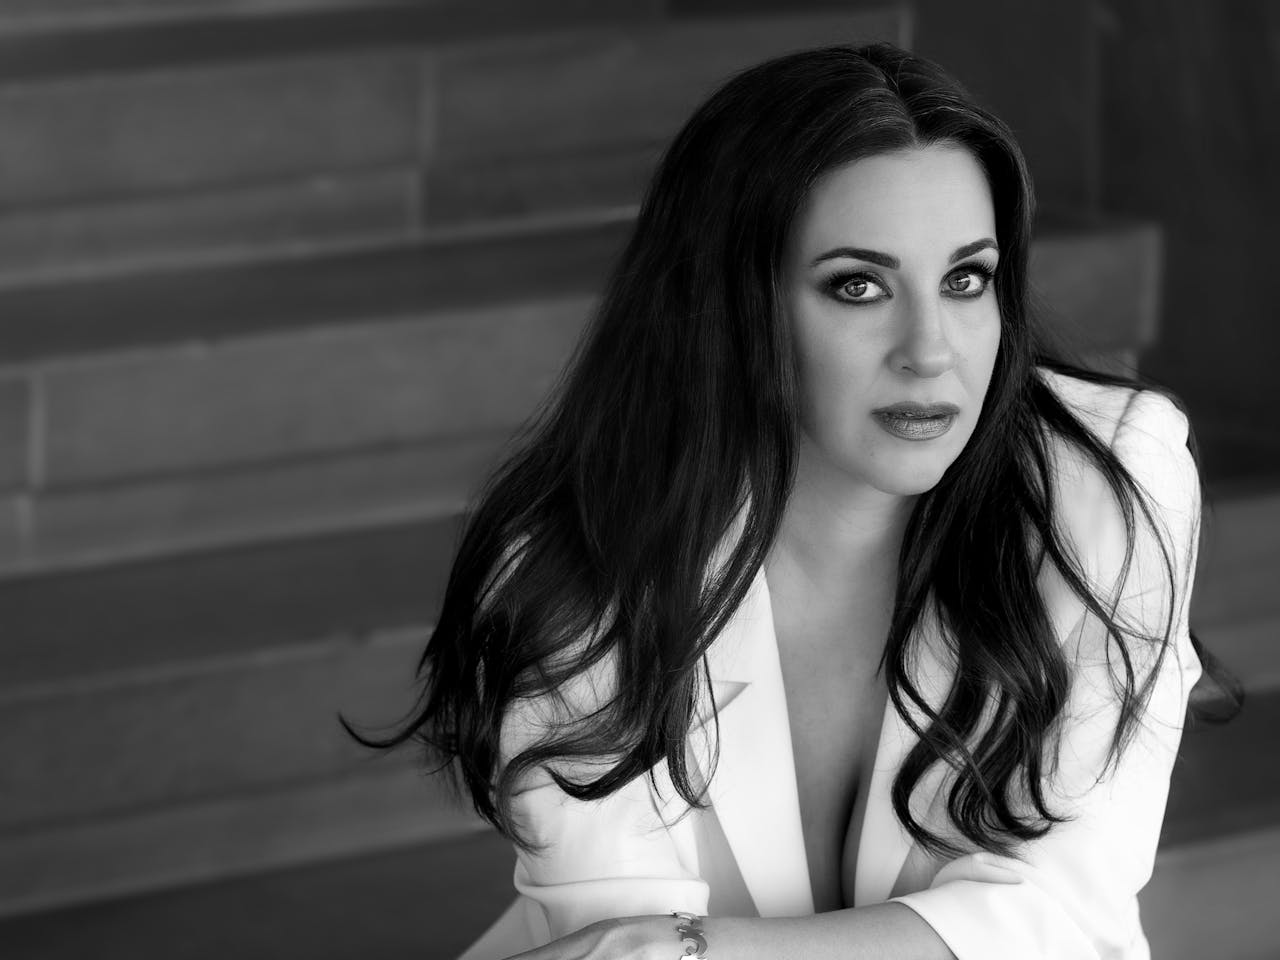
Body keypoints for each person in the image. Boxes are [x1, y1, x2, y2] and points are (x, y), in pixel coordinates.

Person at [341, 41, 1241, 960]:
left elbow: (1063, 918)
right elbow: (610, 941)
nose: (931, 350)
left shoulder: (1107, 481)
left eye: (966, 279)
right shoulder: (581, 559)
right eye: (858, 286)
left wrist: (702, 950)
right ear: (734, 306)